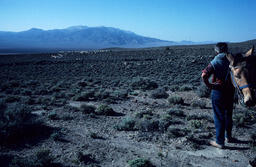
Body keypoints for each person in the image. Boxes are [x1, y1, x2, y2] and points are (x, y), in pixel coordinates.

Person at [201, 42, 235, 149]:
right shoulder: (232, 59)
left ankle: (220, 142)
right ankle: (228, 137)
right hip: (230, 90)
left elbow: (204, 75)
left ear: (216, 51)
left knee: (219, 116)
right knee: (228, 114)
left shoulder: (215, 61)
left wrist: (209, 85)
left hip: (218, 91)